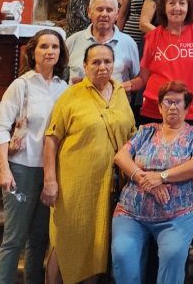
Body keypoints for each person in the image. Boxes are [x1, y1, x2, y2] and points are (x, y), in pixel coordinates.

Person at [42, 43, 136, 284]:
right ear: (85, 66)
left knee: (97, 242)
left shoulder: (120, 94)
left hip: (109, 185)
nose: (102, 67)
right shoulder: (71, 95)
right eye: (95, 62)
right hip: (74, 185)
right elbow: (51, 139)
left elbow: (131, 135)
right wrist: (50, 180)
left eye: (107, 61)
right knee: (65, 238)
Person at [111, 81, 193, 284]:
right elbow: (121, 157)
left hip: (177, 215)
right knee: (122, 254)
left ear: (187, 108)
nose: (172, 107)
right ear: (159, 107)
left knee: (173, 254)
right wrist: (144, 179)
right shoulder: (146, 131)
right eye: (167, 102)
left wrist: (162, 177)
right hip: (132, 212)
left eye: (177, 102)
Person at [0, 29, 69, 284]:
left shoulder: (64, 89)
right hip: (22, 168)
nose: (49, 51)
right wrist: (3, 168)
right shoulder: (21, 85)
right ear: (33, 52)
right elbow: (0, 128)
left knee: (39, 239)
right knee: (14, 238)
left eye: (55, 47)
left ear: (61, 53)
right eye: (44, 46)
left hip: (51, 172)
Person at [134, 0, 193, 126]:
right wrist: (121, 86)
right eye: (171, 3)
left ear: (189, 7)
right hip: (155, 110)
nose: (177, 8)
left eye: (182, 3)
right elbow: (143, 79)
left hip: (189, 110)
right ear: (163, 7)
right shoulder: (152, 37)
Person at [65, 0, 142, 91]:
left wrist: (113, 89)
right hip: (77, 99)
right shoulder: (72, 41)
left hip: (115, 100)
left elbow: (136, 79)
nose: (104, 14)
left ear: (117, 14)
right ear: (89, 12)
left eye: (109, 10)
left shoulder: (128, 43)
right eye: (99, 9)